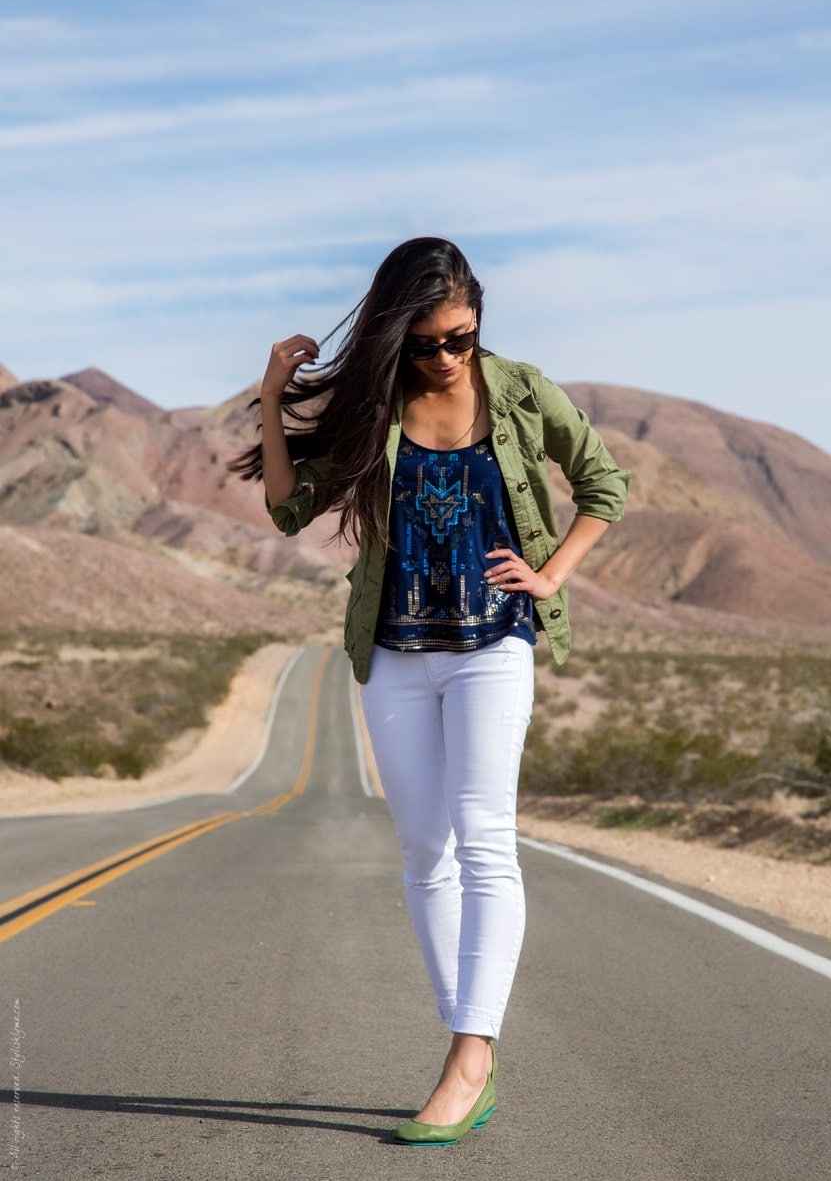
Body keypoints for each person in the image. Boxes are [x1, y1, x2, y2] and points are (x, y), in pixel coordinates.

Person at [231, 236, 629, 1146]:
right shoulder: (376, 407)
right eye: (427, 343)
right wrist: (269, 400)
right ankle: (471, 1045)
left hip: (494, 642)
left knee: (485, 839)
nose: (447, 356)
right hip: (397, 649)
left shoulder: (521, 390)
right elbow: (288, 507)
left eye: (461, 337)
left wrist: (553, 574)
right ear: (393, 336)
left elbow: (605, 482)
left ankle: (468, 1052)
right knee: (423, 850)